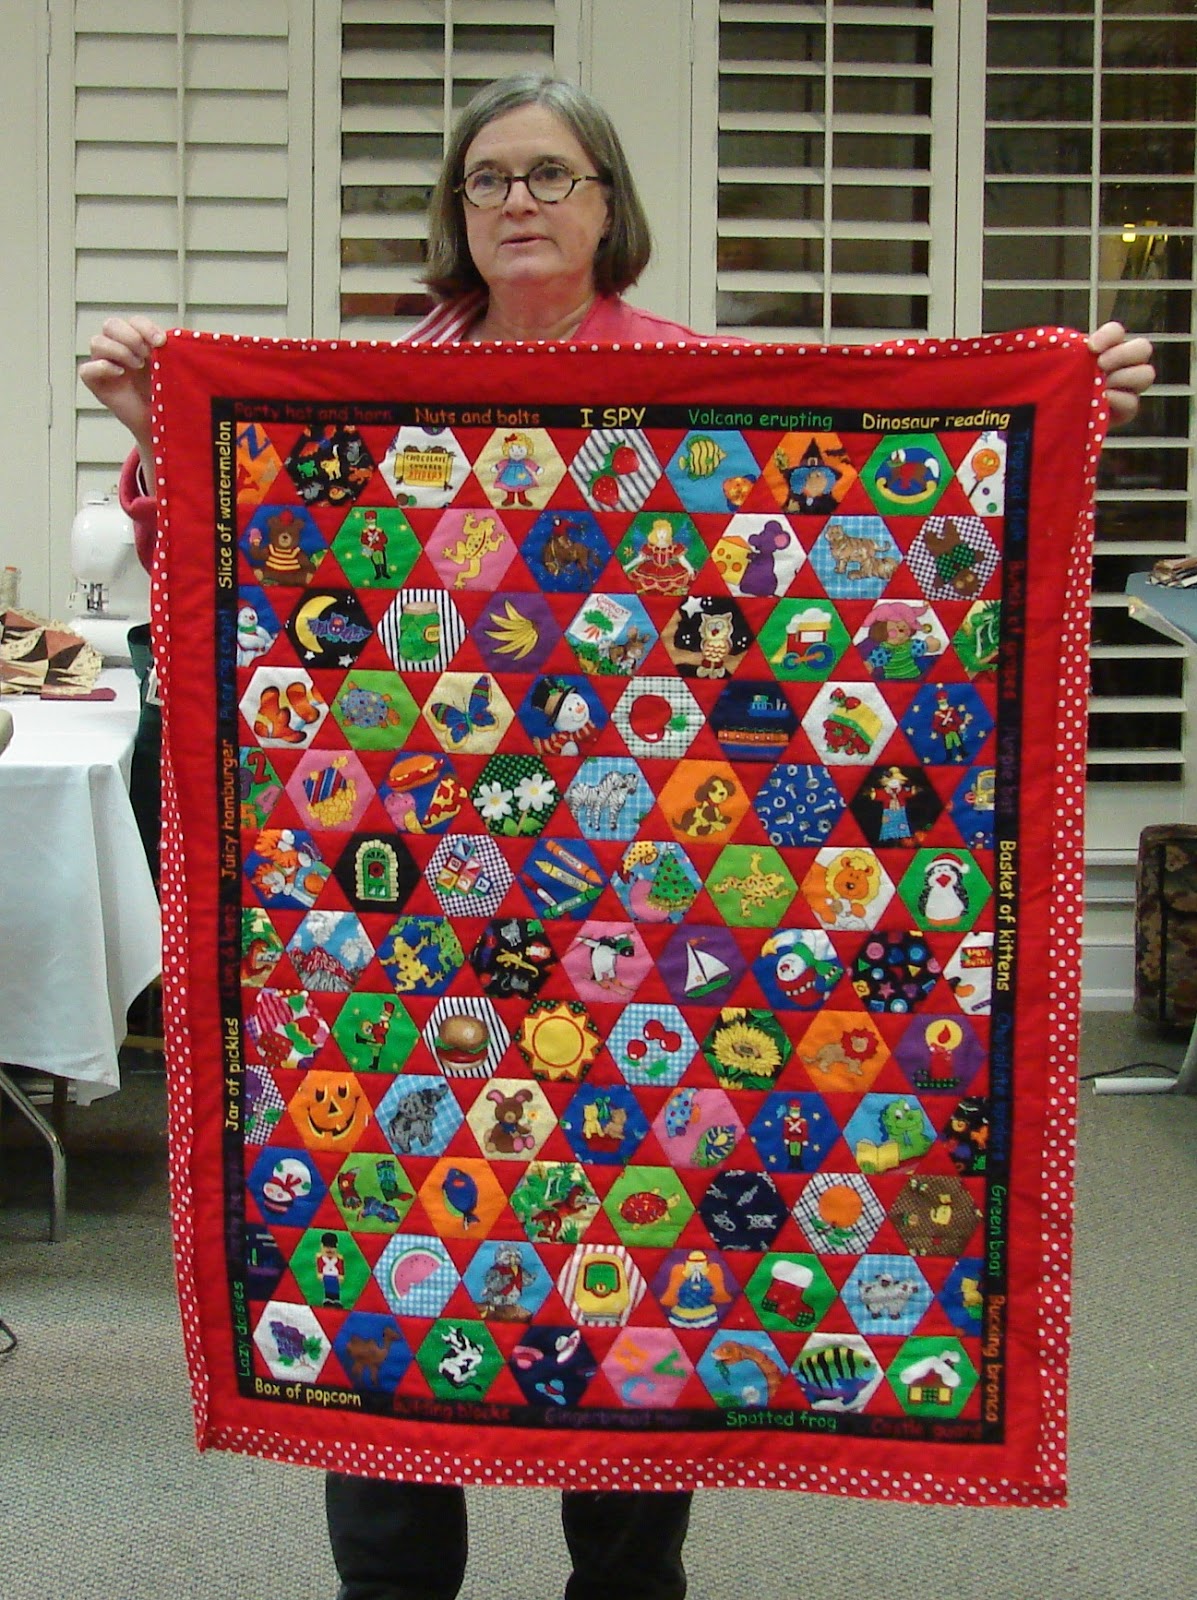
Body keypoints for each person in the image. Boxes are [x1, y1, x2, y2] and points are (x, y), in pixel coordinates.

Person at [80, 72, 1156, 1600]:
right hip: (409, 957)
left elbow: (850, 575)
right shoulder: (367, 396)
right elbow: (255, 595)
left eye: (550, 175)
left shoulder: (689, 386)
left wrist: (1064, 406)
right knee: (384, 1281)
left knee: (644, 1289)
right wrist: (152, 429)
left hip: (661, 948)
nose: (517, 203)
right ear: (456, 216)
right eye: (486, 181)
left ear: (606, 202)